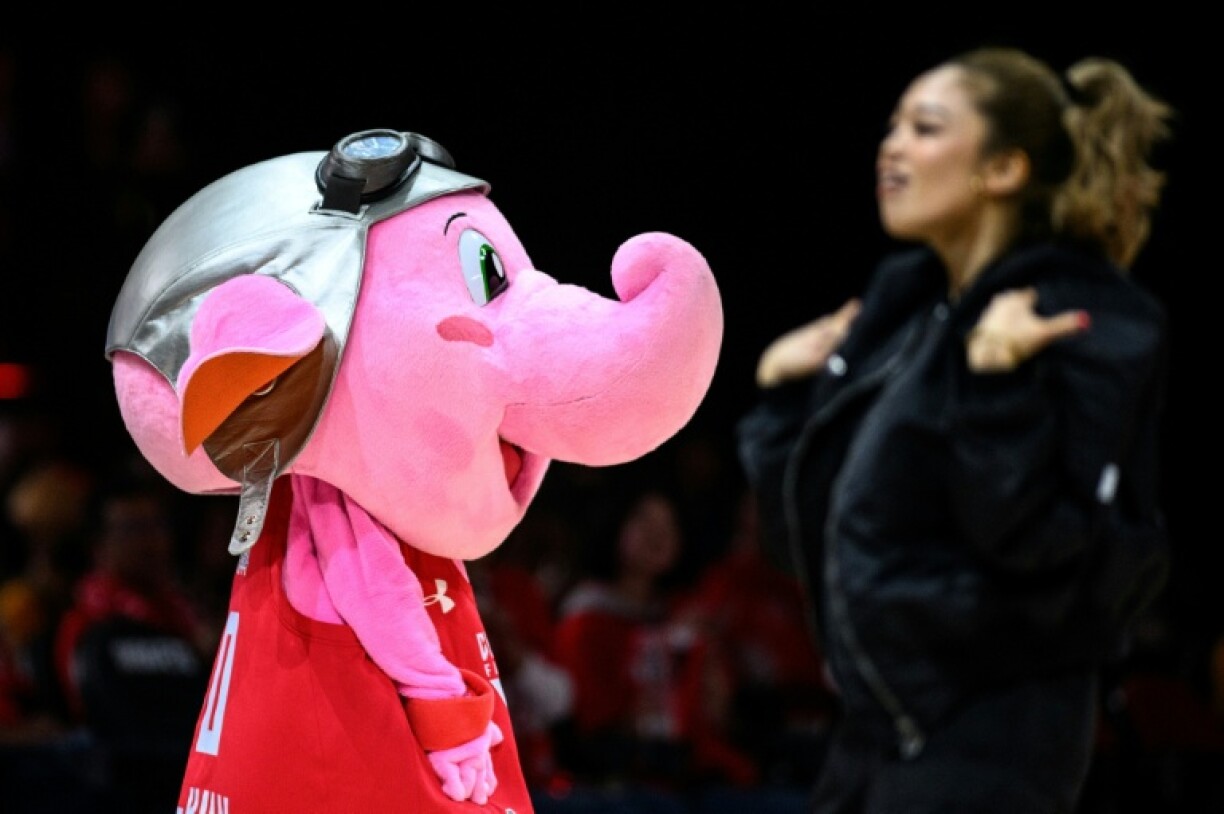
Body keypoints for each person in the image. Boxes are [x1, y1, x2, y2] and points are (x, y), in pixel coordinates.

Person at [736, 46, 1174, 813]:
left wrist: (999, 388)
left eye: (926, 128)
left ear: (1002, 169)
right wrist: (779, 402)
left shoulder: (1086, 316)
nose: (892, 145)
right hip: (876, 734)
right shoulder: (908, 308)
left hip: (990, 736)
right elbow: (799, 539)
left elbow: (1046, 550)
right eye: (893, 125)